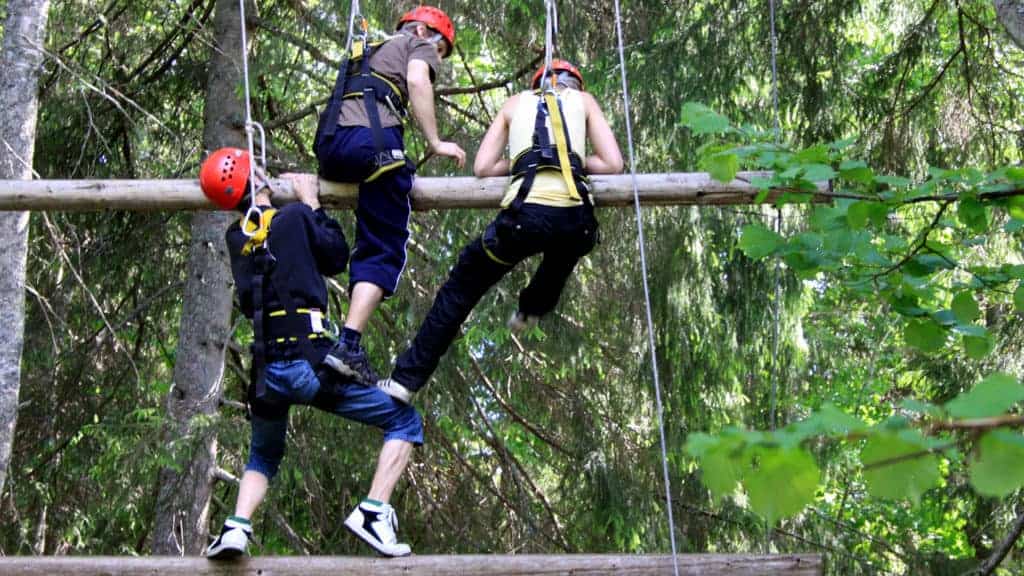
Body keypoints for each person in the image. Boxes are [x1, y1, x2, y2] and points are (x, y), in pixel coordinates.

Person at [198, 148, 423, 559]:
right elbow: (337, 255)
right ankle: (374, 511)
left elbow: (251, 300)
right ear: (259, 180)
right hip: (310, 359)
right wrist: (313, 204)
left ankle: (236, 527)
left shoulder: (237, 237)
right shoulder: (296, 218)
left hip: (267, 372)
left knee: (263, 454)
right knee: (404, 419)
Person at [375, 59, 624, 404]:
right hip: (575, 220)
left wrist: (525, 161)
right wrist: (572, 159)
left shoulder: (515, 103)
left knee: (461, 288)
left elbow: (482, 167)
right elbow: (613, 164)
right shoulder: (586, 102)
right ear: (575, 84)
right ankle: (531, 309)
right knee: (563, 252)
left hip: (525, 218)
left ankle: (406, 380)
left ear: (538, 82)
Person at [315, 6, 467, 387]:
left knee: (381, 193)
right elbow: (417, 82)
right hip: (372, 141)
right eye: (442, 52)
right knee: (384, 243)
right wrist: (435, 141)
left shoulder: (371, 49)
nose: (438, 61)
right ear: (423, 31)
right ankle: (348, 343)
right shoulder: (419, 43)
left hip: (332, 147)